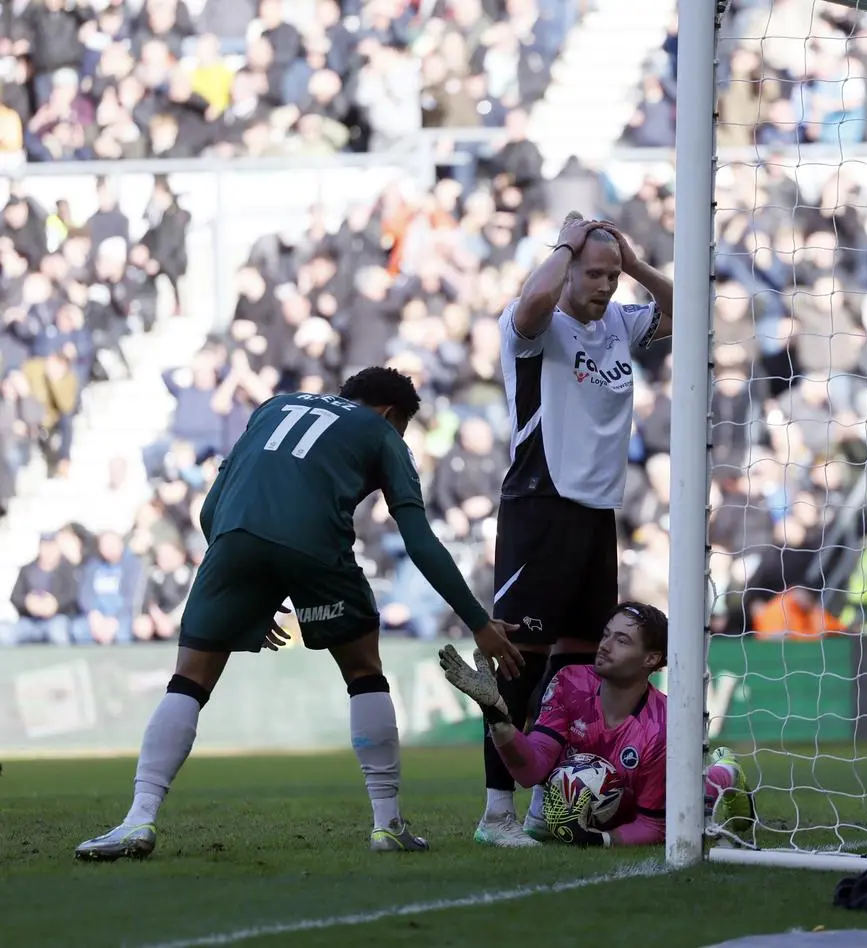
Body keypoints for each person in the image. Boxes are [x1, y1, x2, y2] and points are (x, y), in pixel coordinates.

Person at [74, 367, 524, 862]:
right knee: (364, 674)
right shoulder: (380, 432)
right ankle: (387, 823)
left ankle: (138, 818)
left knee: (187, 682)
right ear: (391, 414)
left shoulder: (273, 406)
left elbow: (208, 513)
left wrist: (252, 591)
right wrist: (478, 623)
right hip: (316, 547)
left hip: (233, 542)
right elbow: (418, 539)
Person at [476, 211, 674, 846]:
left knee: (584, 671)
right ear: (566, 269)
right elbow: (534, 298)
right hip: (541, 502)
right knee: (520, 665)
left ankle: (549, 806)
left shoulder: (619, 319)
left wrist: (635, 263)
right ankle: (497, 811)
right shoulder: (535, 327)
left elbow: (684, 311)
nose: (606, 287)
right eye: (594, 274)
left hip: (596, 512)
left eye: (612, 276)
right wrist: (565, 243)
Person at [442, 602, 755, 847]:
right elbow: (532, 770)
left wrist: (600, 841)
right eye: (606, 635)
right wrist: (497, 714)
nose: (605, 645)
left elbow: (652, 825)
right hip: (600, 804)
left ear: (651, 659)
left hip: (646, 801)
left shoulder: (662, 727)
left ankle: (725, 772)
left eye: (621, 640)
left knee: (692, 801)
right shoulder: (570, 683)